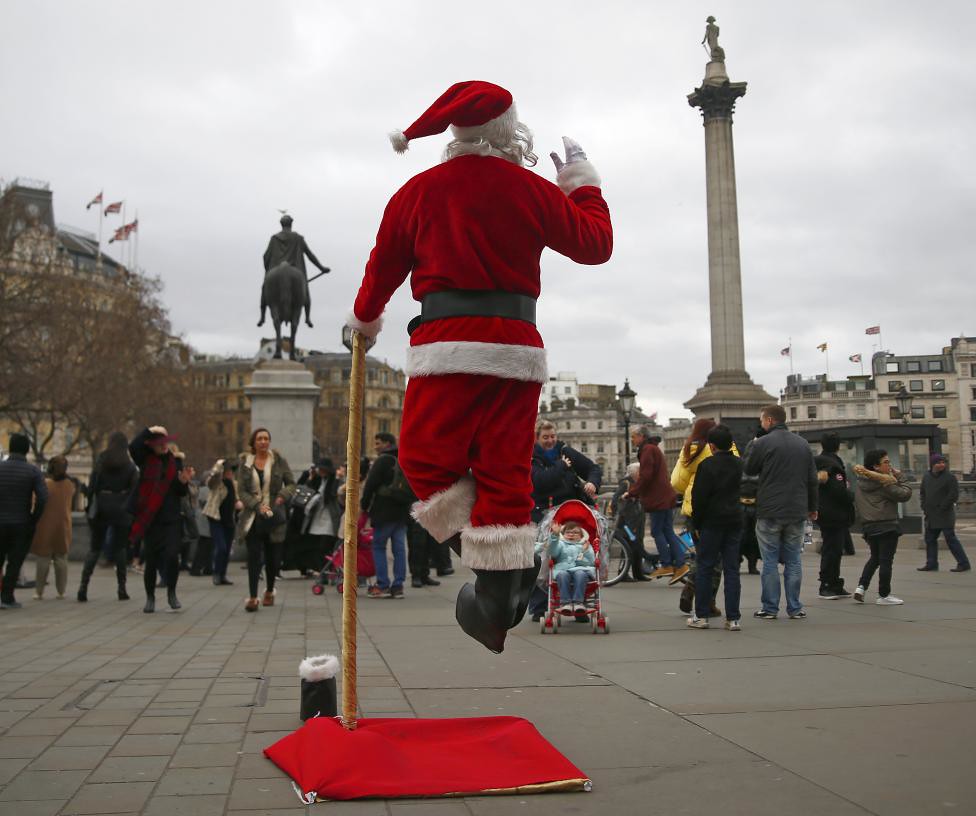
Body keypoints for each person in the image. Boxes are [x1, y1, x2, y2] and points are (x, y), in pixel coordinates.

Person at [347, 80, 612, 652]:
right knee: (503, 470)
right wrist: (581, 185)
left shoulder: (418, 191)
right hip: (515, 349)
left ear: (455, 133)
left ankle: (499, 577)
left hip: (447, 346)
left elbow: (383, 266)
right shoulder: (531, 190)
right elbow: (595, 245)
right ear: (510, 132)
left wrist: (364, 320)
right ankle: (503, 587)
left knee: (422, 461)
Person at [744, 405, 818, 621]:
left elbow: (749, 469)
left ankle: (770, 608)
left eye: (762, 420)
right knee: (794, 560)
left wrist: (753, 446)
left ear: (769, 420)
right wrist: (813, 507)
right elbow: (812, 479)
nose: (761, 424)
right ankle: (795, 607)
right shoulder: (803, 444)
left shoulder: (762, 443)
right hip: (797, 510)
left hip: (769, 510)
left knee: (769, 561)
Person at [129, 426, 194, 613]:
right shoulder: (145, 460)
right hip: (152, 519)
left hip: (172, 518)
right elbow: (133, 446)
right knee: (151, 560)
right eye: (159, 443)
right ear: (151, 445)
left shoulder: (175, 462)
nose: (164, 446)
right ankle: (150, 598)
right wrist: (148, 430)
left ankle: (171, 593)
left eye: (165, 442)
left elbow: (180, 492)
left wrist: (183, 482)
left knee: (172, 557)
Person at [687, 425, 743, 630]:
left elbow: (699, 498)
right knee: (732, 569)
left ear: (711, 446)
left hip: (711, 522)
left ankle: (701, 616)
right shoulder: (740, 464)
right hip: (734, 521)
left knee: (705, 568)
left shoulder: (707, 465)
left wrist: (697, 523)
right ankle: (733, 618)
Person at [236, 428, 295, 612]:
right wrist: (256, 505)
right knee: (253, 557)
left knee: (273, 558)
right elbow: (241, 491)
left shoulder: (278, 460)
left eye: (266, 439)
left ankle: (269, 590)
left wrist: (282, 496)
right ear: (253, 443)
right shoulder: (245, 462)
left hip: (274, 515)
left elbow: (291, 483)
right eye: (259, 439)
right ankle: (253, 597)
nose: (263, 442)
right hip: (253, 517)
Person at [78, 432, 138, 602]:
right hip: (122, 509)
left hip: (102, 507)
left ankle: (83, 587)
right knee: (120, 548)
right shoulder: (129, 465)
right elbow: (135, 489)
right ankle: (122, 588)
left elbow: (92, 486)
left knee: (95, 548)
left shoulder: (101, 462)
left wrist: (90, 504)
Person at [853, 450, 913, 605]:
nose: (889, 465)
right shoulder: (884, 483)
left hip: (869, 526)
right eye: (886, 462)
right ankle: (884, 595)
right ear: (876, 466)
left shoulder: (861, 483)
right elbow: (904, 494)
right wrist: (901, 477)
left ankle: (861, 587)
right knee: (886, 560)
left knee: (875, 558)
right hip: (887, 525)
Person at [629, 426, 685, 582]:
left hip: (658, 498)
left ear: (641, 436)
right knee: (667, 531)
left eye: (633, 437)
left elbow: (646, 476)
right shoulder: (653, 448)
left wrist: (632, 492)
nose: (632, 440)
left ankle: (667, 564)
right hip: (665, 496)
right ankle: (680, 564)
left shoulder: (647, 450)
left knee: (656, 531)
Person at [361, 433, 411, 599]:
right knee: (399, 549)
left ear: (387, 444)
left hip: (384, 510)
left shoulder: (383, 460)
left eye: (378, 443)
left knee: (379, 546)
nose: (375, 447)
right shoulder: (403, 458)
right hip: (402, 510)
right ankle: (398, 586)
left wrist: (364, 505)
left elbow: (370, 485)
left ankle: (382, 585)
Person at [0, 433, 47, 609]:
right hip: (21, 523)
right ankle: (7, 597)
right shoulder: (33, 471)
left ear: (10, 447)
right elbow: (43, 497)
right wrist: (34, 518)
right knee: (15, 561)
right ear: (27, 450)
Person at [531, 421, 602, 521]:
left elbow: (593, 468)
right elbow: (540, 481)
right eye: (545, 437)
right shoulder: (533, 458)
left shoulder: (564, 452)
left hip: (573, 507)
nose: (550, 440)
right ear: (537, 438)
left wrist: (592, 482)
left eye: (553, 436)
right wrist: (561, 465)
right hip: (546, 513)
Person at [815, 432, 855, 599]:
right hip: (834, 513)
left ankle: (834, 583)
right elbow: (838, 490)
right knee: (832, 549)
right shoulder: (833, 464)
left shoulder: (819, 461)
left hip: (824, 511)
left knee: (834, 549)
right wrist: (851, 495)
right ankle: (827, 584)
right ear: (838, 446)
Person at [31, 456, 75, 600]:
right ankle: (61, 591)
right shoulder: (70, 485)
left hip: (45, 525)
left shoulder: (45, 484)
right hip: (63, 525)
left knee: (43, 559)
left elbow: (35, 500)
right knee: (61, 559)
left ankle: (39, 592)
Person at [918, 453, 970, 572]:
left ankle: (963, 563)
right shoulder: (926, 477)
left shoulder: (950, 477)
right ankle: (931, 563)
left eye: (943, 462)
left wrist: (942, 507)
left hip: (945, 514)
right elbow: (922, 493)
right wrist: (924, 506)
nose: (941, 465)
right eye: (938, 462)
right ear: (933, 464)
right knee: (930, 539)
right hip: (931, 514)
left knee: (950, 539)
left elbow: (953, 495)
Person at [300, 457, 342, 573]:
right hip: (316, 516)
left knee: (325, 546)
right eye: (319, 469)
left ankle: (327, 570)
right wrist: (311, 477)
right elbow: (307, 492)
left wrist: (338, 478)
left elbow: (333, 494)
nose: (320, 471)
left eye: (323, 469)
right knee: (316, 546)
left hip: (329, 517)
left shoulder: (334, 480)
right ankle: (322, 570)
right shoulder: (318, 479)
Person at [546, 520, 596, 614]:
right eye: (568, 532)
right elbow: (552, 552)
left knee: (580, 574)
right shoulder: (560, 544)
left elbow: (591, 562)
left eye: (575, 532)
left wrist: (583, 552)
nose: (571, 534)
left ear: (581, 535)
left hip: (581, 569)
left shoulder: (585, 545)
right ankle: (565, 603)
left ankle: (578, 602)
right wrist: (555, 536)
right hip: (563, 569)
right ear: (563, 534)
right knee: (562, 575)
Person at [203, 457, 238, 586]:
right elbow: (210, 482)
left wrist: (239, 503)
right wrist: (219, 466)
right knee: (221, 547)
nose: (230, 473)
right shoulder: (216, 482)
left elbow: (236, 498)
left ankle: (222, 575)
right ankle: (216, 573)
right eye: (227, 470)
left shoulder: (234, 484)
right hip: (216, 518)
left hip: (229, 520)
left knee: (227, 548)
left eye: (231, 471)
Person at [738, 427, 764, 575]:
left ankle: (737, 562)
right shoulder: (764, 459)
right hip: (756, 502)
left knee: (741, 535)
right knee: (754, 536)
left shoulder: (743, 460)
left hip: (742, 502)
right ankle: (752, 565)